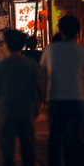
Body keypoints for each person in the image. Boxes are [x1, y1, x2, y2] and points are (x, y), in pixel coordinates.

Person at [0, 30, 41, 166]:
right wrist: (37, 109)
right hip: (26, 112)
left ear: (6, 45)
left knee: (7, 155)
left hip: (4, 112)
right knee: (28, 153)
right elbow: (38, 90)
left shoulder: (0, 66)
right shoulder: (31, 64)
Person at [40, 15, 84, 166]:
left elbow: (44, 76)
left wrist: (43, 96)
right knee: (74, 137)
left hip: (54, 98)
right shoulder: (80, 51)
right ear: (78, 32)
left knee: (55, 136)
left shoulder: (50, 50)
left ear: (60, 31)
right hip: (76, 98)